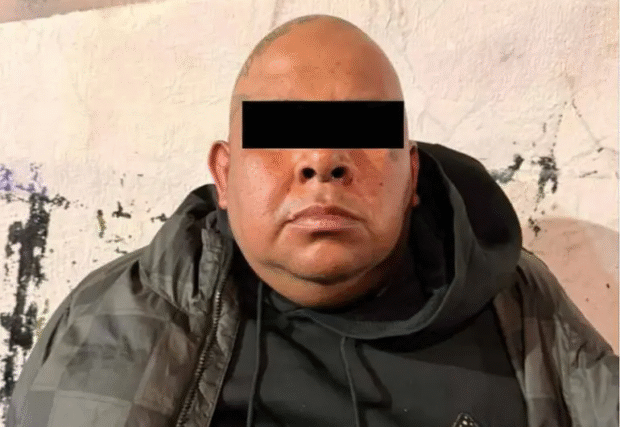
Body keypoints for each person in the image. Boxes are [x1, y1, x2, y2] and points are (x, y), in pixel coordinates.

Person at [7, 14, 618, 427]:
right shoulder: (111, 320)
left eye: (363, 131)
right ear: (224, 173)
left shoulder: (518, 306)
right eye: (279, 132)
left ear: (411, 174)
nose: (322, 159)